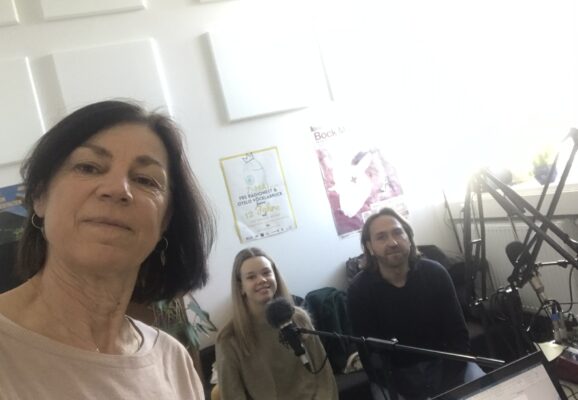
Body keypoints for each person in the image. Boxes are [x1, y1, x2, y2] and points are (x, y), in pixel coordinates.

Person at [0, 100, 215, 399]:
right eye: (88, 167)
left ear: (165, 220)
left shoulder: (173, 361)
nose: (118, 189)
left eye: (145, 180)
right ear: (39, 196)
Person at [347, 207, 483, 400]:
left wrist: (447, 387)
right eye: (381, 237)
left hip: (447, 364)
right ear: (369, 247)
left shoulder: (436, 273)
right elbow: (370, 356)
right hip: (396, 378)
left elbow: (458, 335)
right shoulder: (359, 290)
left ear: (409, 238)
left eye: (397, 233)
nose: (392, 242)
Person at [215, 247, 338, 400]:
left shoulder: (299, 318)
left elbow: (325, 376)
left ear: (276, 277)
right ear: (241, 287)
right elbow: (232, 395)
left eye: (266, 272)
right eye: (251, 277)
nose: (262, 280)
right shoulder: (228, 338)